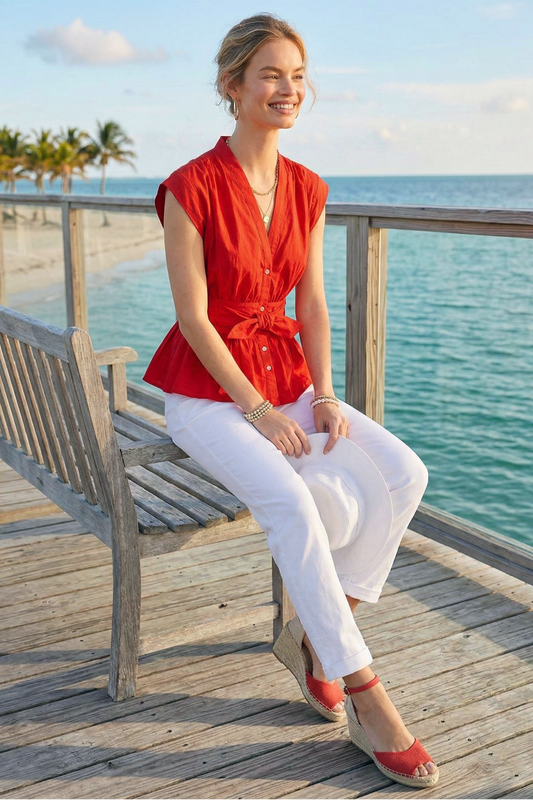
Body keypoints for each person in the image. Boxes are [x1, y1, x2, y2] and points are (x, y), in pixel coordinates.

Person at [143, 13, 439, 789]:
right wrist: (257, 411)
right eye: (271, 75)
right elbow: (194, 317)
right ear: (232, 87)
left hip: (288, 380)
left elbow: (310, 302)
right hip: (208, 396)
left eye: (298, 76)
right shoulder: (189, 187)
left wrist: (326, 394)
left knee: (405, 474)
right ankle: (368, 696)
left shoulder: (307, 186)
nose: (288, 90)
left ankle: (315, 633)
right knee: (292, 505)